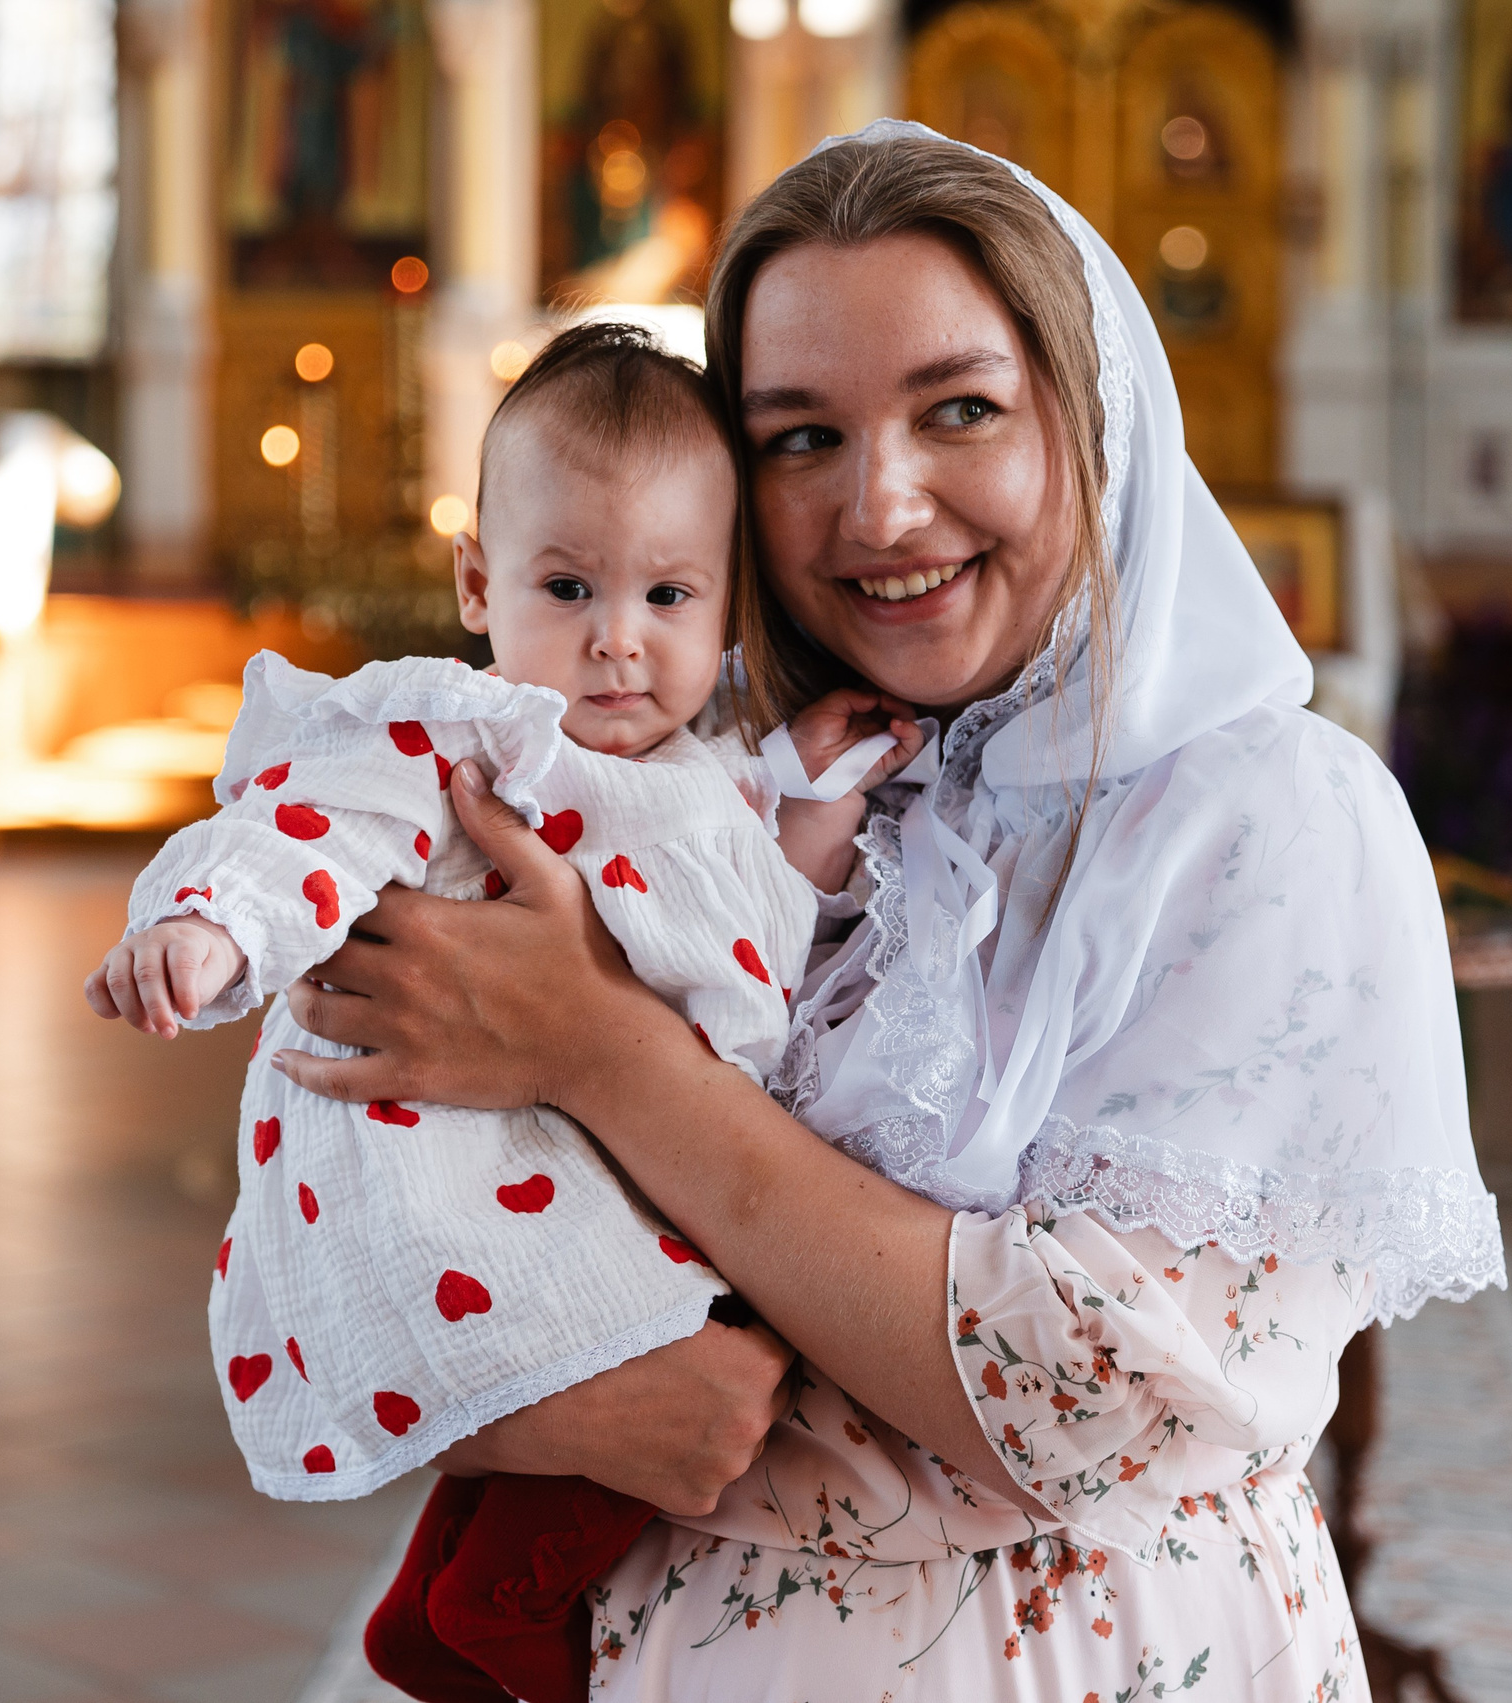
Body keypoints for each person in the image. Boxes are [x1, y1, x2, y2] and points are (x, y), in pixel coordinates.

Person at [270, 121, 1506, 1697]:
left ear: (1096, 416)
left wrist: (603, 1056)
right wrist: (533, 1407)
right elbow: (330, 1227)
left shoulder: (1266, 815)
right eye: (798, 437)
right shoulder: (690, 776)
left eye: (962, 412)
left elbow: (1081, 1397)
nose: (880, 509)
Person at [83, 321, 919, 1703]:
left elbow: (759, 913)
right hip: (463, 1179)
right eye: (569, 586)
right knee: (619, 1347)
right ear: (479, 582)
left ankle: (433, 1601)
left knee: (584, 1362)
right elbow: (309, 829)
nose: (616, 644)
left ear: (728, 610)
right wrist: (207, 931)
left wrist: (818, 807)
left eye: (667, 597)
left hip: (578, 1161)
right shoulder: (458, 740)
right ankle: (492, 1614)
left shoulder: (707, 776)